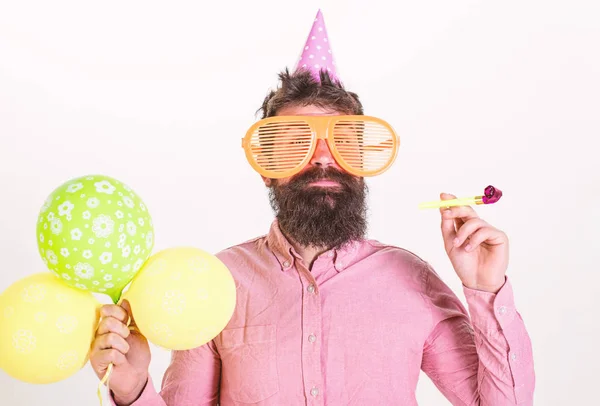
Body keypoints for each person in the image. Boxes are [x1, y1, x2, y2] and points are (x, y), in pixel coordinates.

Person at [90, 10, 535, 406]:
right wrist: (131, 390)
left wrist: (485, 289)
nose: (323, 158)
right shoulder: (215, 282)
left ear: (361, 167)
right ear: (266, 168)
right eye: (294, 145)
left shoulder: (411, 279)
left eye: (343, 143)